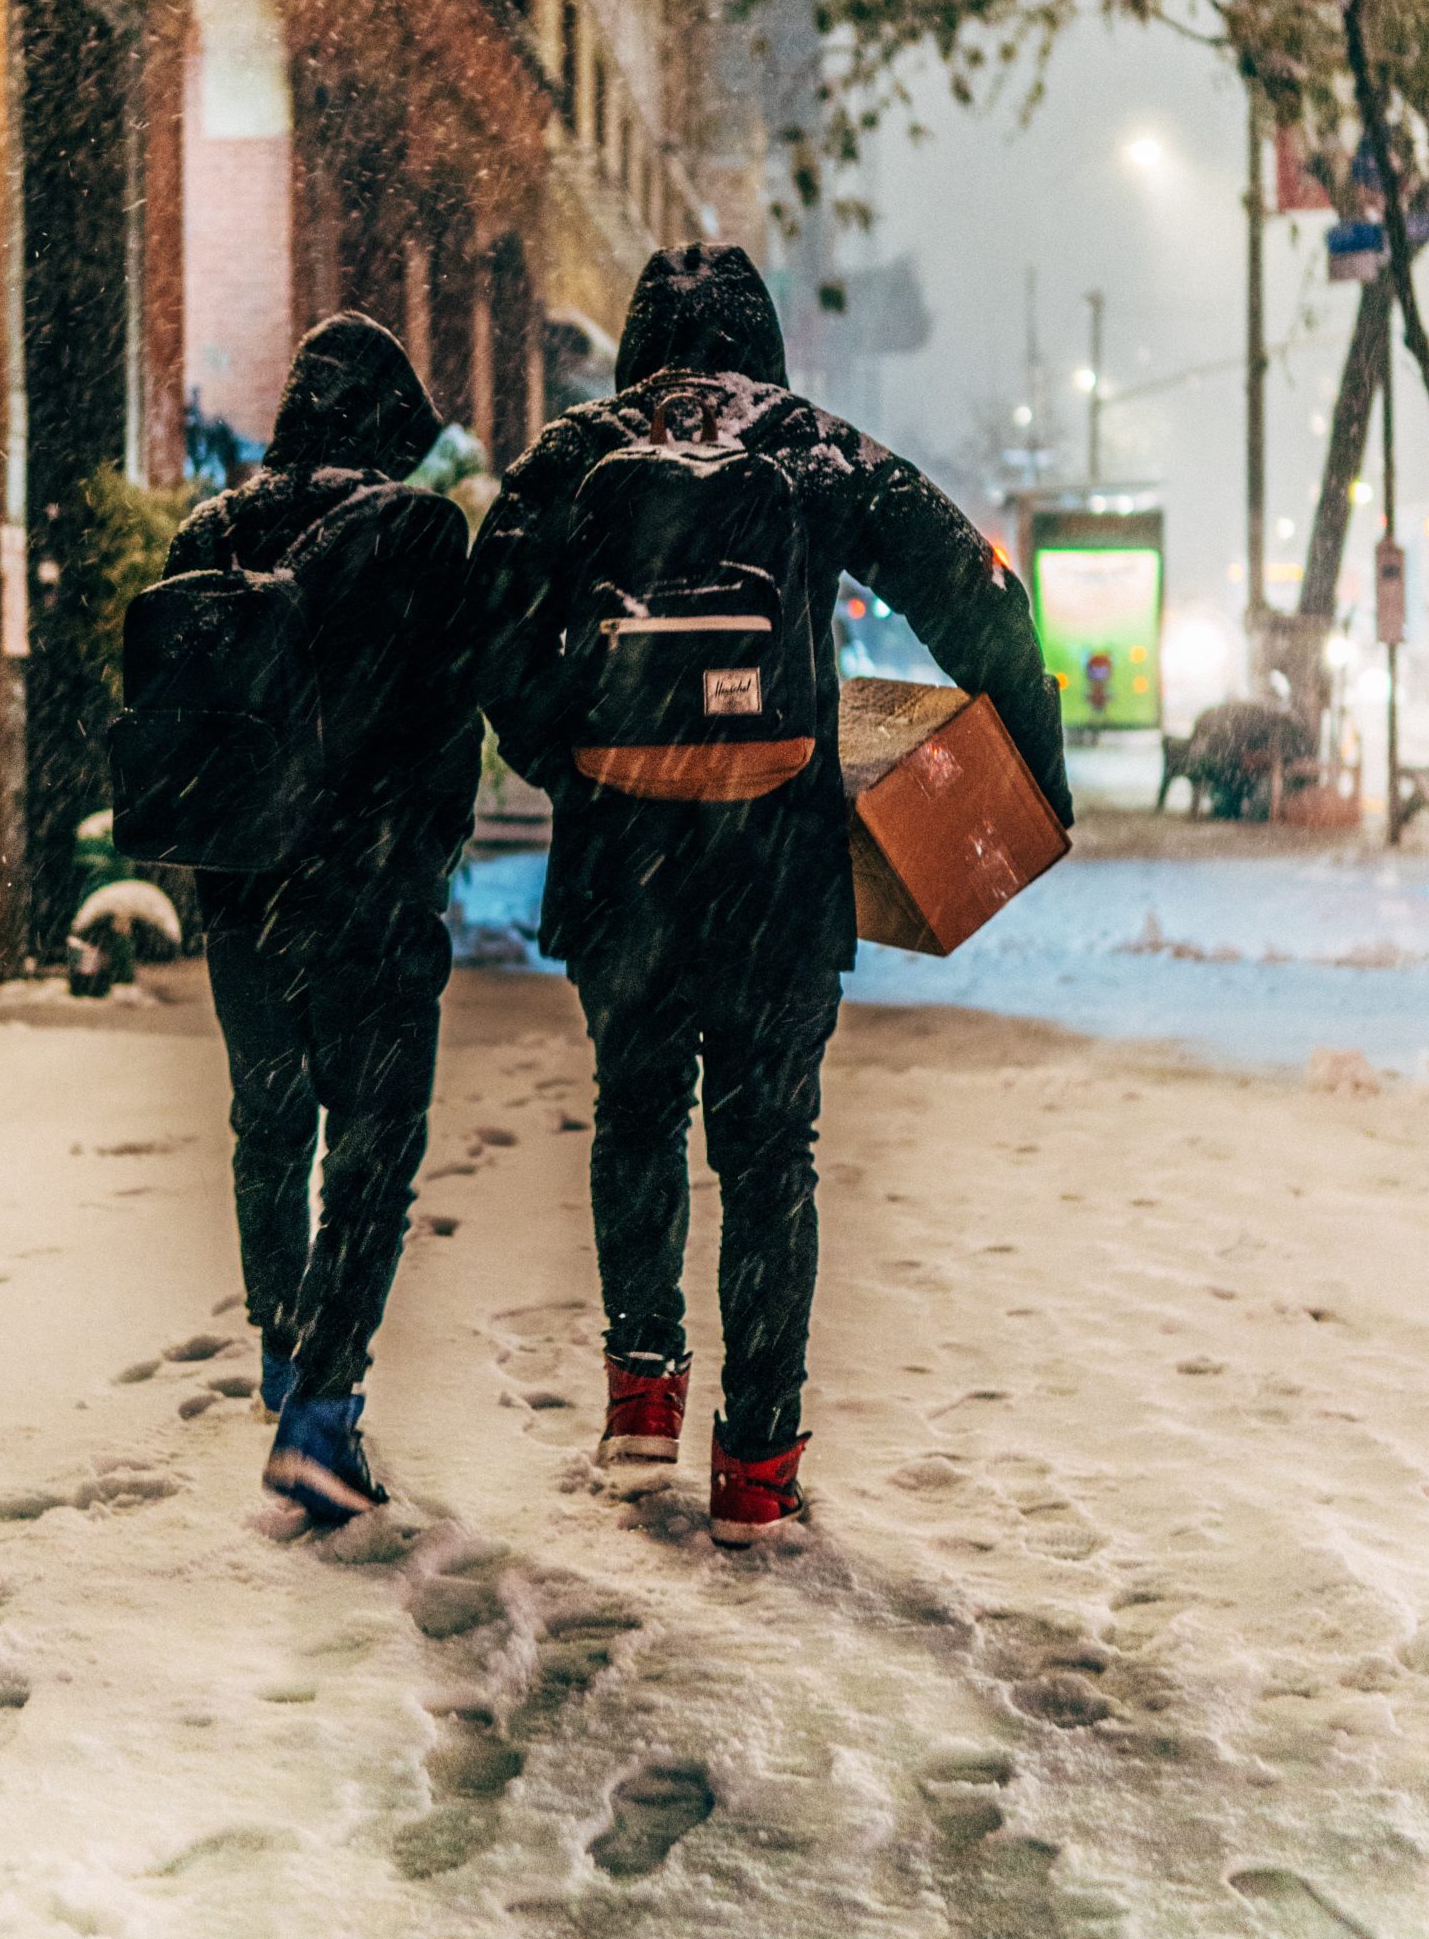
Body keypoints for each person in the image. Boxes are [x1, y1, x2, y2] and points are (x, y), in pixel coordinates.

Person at [467, 244, 1070, 1543]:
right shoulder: (811, 452)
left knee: (633, 1116)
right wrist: (1031, 773)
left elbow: (489, 627)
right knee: (766, 1156)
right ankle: (755, 1472)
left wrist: (572, 763)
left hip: (620, 867)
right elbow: (974, 595)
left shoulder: (574, 456)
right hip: (776, 870)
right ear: (764, 344)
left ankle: (638, 1408)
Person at [162, 313, 478, 1523]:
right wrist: (418, 858)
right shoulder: (415, 535)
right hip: (370, 893)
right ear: (389, 428)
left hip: (243, 896)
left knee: (270, 1123)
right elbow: (451, 726)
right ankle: (322, 1415)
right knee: (373, 1150)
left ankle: (283, 1352)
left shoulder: (211, 531)